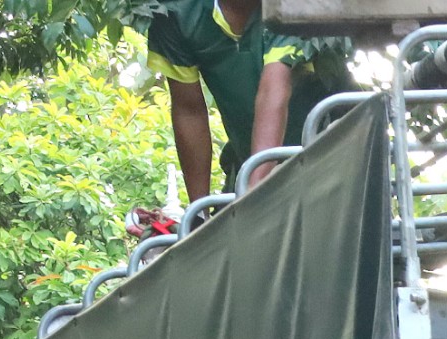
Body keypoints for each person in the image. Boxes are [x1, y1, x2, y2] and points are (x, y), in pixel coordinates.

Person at [146, 0, 352, 201]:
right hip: (245, 163)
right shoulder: (176, 12)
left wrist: (253, 196)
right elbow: (189, 111)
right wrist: (199, 213)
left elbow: (273, 87)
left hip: (332, 162)